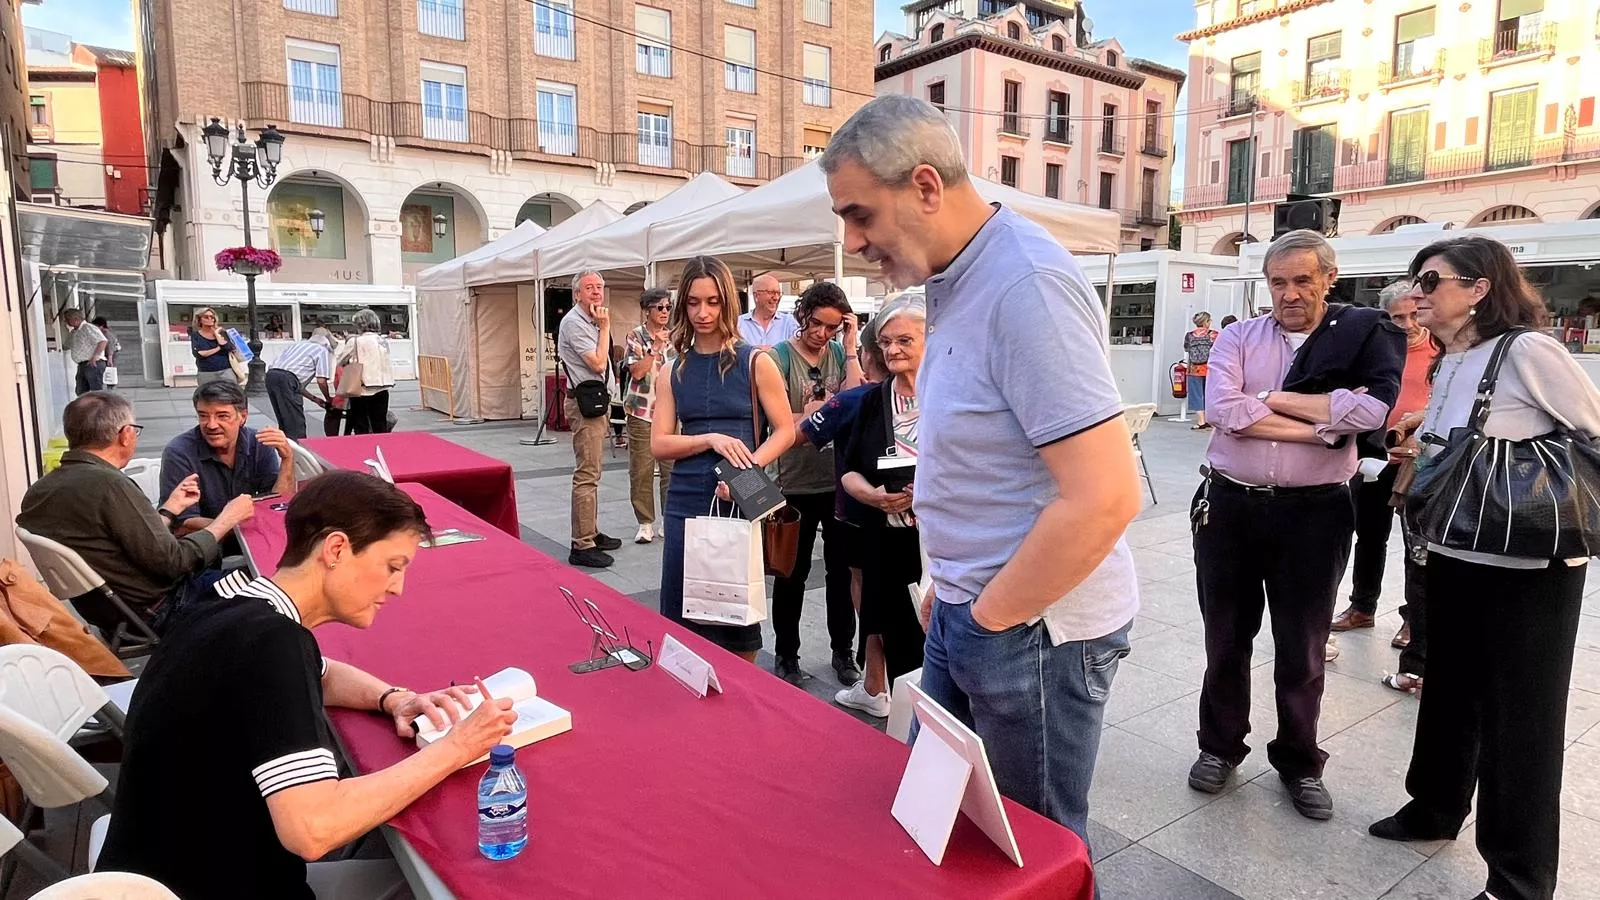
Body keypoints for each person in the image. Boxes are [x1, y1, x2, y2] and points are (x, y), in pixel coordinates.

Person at [822, 95, 1142, 848]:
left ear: (926, 187)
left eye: (861, 214)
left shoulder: (1024, 285)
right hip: (975, 606)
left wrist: (990, 615)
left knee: (1031, 850)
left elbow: (1104, 496)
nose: (853, 239)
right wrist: (955, 584)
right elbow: (987, 459)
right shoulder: (956, 277)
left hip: (1032, 628)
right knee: (942, 825)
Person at [97, 471, 520, 899]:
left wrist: (395, 699)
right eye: (392, 567)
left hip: (142, 875)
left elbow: (324, 671)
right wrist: (458, 747)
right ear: (336, 548)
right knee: (439, 880)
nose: (398, 588)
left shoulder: (228, 602)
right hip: (215, 883)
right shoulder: (274, 644)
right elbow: (313, 830)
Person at [1367, 235, 1600, 900]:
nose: (1420, 293)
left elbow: (1592, 429)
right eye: (1417, 279)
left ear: (1479, 289)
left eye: (1433, 280)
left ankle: (1518, 878)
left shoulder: (1528, 350)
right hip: (1455, 549)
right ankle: (1434, 807)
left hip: (1529, 564)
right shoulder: (1453, 358)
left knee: (1520, 720)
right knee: (1449, 690)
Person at [1189, 229, 1406, 820]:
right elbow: (1223, 411)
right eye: (1278, 282)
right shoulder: (1237, 335)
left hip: (1316, 512)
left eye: (1302, 280)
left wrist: (1271, 401)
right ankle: (1219, 746)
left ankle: (1299, 761)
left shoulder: (1360, 337)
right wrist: (1323, 424)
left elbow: (1371, 412)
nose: (1289, 294)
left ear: (1328, 279)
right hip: (1230, 506)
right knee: (1225, 640)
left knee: (1304, 646)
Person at [650, 256, 795, 662]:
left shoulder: (756, 361)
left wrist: (747, 469)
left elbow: (785, 430)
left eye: (712, 302)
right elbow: (659, 444)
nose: (703, 313)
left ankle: (738, 703)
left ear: (728, 303)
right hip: (684, 497)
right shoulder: (673, 369)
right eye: (694, 303)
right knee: (682, 610)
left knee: (735, 612)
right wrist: (708, 438)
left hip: (741, 488)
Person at [17, 391, 256, 627]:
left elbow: (130, 545)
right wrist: (227, 518)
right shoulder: (110, 486)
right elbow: (174, 563)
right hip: (163, 607)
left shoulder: (39, 491)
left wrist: (169, 510)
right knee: (270, 580)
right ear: (125, 435)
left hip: (110, 611)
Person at [1330, 279, 1438, 691]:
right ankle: (1363, 606)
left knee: (1419, 545)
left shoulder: (1440, 351)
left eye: (1413, 314)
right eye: (1397, 317)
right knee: (1368, 536)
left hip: (1422, 462)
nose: (1408, 324)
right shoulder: (1375, 348)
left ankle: (1413, 618)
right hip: (1375, 455)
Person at [767, 282, 864, 686]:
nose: (822, 334)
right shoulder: (777, 358)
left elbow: (858, 400)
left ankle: (843, 651)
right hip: (792, 481)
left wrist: (853, 345)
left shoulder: (841, 354)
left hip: (835, 479)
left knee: (841, 572)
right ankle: (786, 654)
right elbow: (776, 422)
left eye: (832, 327)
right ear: (802, 315)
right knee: (792, 572)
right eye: (817, 324)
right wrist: (820, 414)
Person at [837, 297, 928, 716]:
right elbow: (849, 471)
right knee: (892, 631)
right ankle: (909, 728)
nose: (892, 350)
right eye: (886, 342)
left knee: (937, 641)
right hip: (884, 539)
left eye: (905, 340)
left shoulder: (950, 396)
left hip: (938, 545)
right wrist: (872, 496)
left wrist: (926, 490)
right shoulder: (874, 401)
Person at [798, 319, 891, 715]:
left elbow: (802, 433)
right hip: (919, 518)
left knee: (866, 590)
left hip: (858, 516)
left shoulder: (852, 400)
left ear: (869, 354)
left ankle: (875, 684)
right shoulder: (930, 394)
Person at [160, 380, 295, 532]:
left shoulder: (259, 443)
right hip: (204, 545)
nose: (211, 425)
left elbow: (277, 503)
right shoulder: (179, 452)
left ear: (242, 417)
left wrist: (287, 460)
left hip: (250, 535)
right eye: (203, 416)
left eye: (222, 416)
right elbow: (184, 523)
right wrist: (242, 528)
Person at [559, 270, 624, 568]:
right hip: (586, 406)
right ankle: (581, 544)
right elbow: (598, 363)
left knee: (593, 472)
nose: (597, 292)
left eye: (599, 287)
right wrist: (606, 325)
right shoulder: (574, 322)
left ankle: (591, 532)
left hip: (597, 403)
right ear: (577, 294)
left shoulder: (589, 321)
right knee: (587, 474)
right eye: (589, 288)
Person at [623, 288, 675, 544]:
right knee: (641, 470)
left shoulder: (677, 337)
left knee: (671, 470)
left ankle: (668, 518)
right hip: (643, 410)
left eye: (668, 307)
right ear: (647, 310)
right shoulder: (636, 336)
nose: (665, 312)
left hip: (671, 412)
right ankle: (645, 522)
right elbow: (637, 373)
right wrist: (654, 348)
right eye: (660, 307)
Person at [334, 309, 396, 435]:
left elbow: (340, 361)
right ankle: (381, 448)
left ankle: (364, 450)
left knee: (361, 424)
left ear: (359, 325)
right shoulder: (382, 340)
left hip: (361, 388)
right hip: (382, 387)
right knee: (379, 423)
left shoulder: (355, 341)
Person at [265, 333, 334, 441]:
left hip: (271, 375)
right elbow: (321, 381)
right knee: (295, 423)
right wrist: (328, 398)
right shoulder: (322, 350)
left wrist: (315, 399)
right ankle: (298, 453)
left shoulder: (298, 345)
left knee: (284, 420)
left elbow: (297, 385)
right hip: (287, 380)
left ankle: (286, 450)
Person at [736, 273, 798, 350]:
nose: (776, 298)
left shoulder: (789, 322)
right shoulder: (738, 324)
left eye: (778, 293)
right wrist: (753, 352)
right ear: (756, 296)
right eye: (771, 292)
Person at [62, 308, 108, 395]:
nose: (66, 322)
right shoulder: (74, 332)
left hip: (93, 362)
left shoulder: (87, 327)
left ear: (76, 319)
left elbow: (102, 341)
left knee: (96, 391)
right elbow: (66, 345)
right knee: (81, 391)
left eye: (68, 319)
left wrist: (95, 356)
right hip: (82, 364)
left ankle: (99, 408)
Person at [1184, 312, 1218, 430]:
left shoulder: (1189, 335)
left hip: (1194, 369)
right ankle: (1210, 420)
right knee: (1210, 394)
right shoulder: (1213, 335)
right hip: (1210, 369)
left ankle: (1200, 421)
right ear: (1206, 322)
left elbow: (1186, 348)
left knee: (1196, 395)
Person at [189, 307, 235, 387]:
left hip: (225, 370)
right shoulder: (196, 335)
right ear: (199, 320)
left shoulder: (222, 332)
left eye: (212, 317)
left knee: (229, 396)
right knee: (208, 397)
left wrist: (217, 334)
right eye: (206, 317)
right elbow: (199, 354)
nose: (210, 319)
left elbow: (229, 347)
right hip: (206, 372)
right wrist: (219, 347)